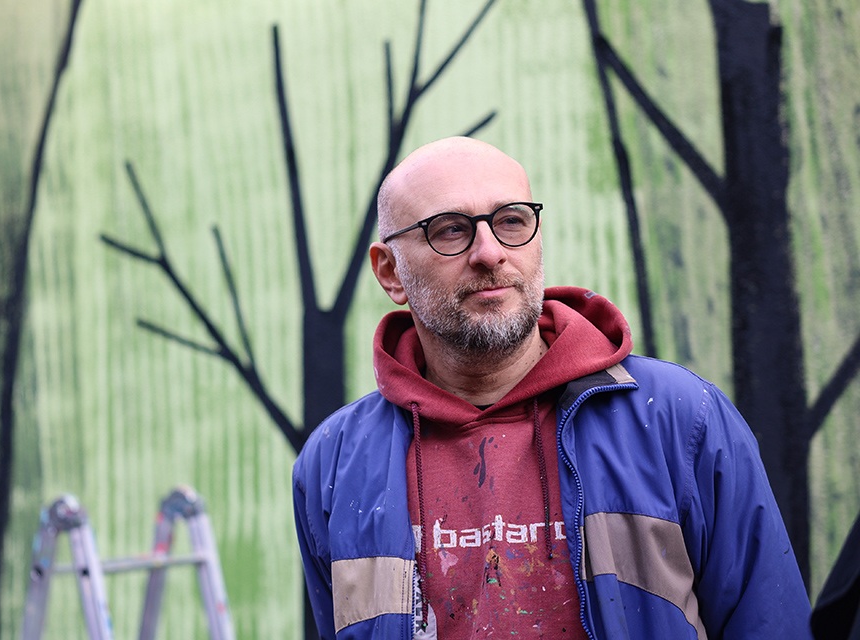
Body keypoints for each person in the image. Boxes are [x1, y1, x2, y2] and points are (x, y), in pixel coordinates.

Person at [292, 136, 811, 639]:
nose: (490, 252)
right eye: (450, 230)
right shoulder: (334, 465)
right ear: (390, 272)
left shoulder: (680, 418)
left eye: (511, 221)